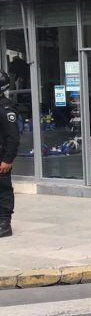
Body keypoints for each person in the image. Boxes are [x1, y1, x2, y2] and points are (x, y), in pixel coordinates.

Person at [0, 70, 21, 238]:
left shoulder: (6, 108)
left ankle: (4, 224)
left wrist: (7, 159)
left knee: (3, 190)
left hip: (1, 158)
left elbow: (13, 137)